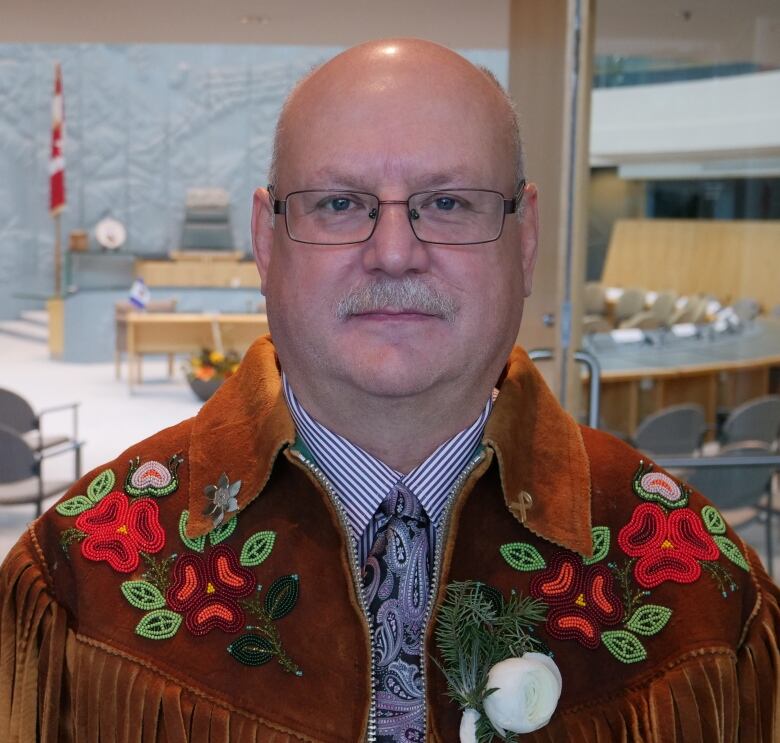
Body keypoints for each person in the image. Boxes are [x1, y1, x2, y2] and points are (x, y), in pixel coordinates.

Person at [1, 38, 777, 743]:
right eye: (340, 203)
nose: (396, 251)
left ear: (525, 238)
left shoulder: (698, 585)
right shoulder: (82, 581)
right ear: (267, 241)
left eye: (448, 202)